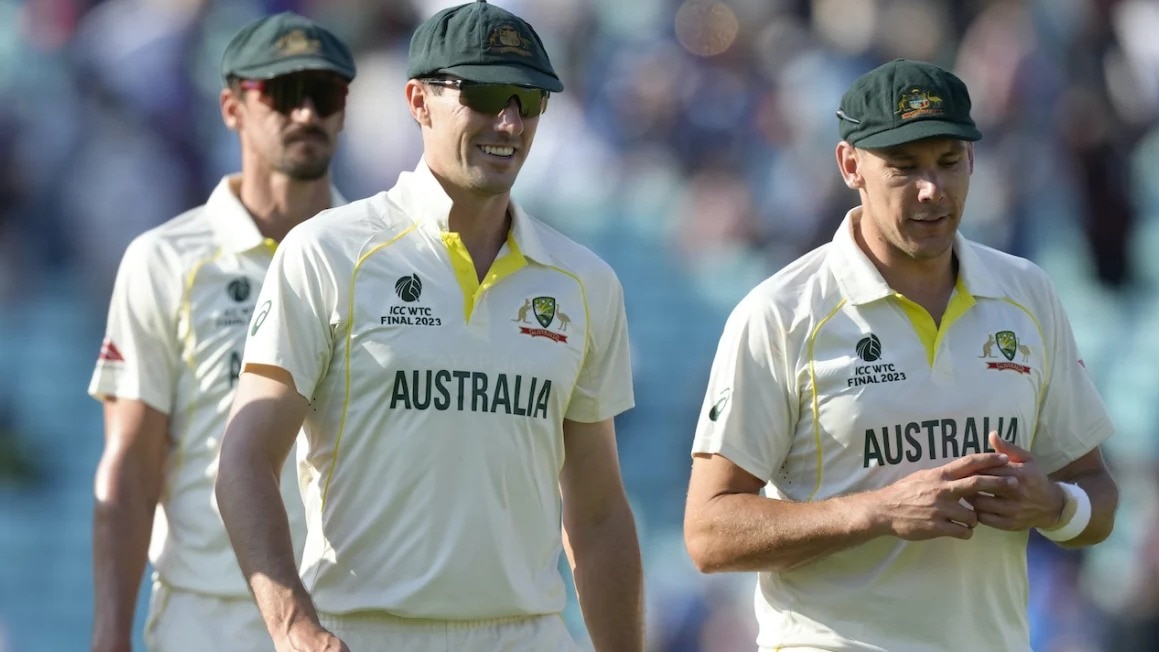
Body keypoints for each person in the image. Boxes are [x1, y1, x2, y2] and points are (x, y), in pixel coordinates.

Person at [214, 2, 644, 651]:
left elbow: (599, 511)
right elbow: (243, 460)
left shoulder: (584, 282)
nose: (509, 121)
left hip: (527, 635)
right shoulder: (328, 253)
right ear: (418, 100)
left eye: (528, 99)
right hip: (365, 634)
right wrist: (293, 625)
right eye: (484, 94)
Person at [683, 58, 1119, 652]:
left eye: (947, 162)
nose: (931, 190)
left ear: (973, 160)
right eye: (903, 167)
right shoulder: (781, 313)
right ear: (850, 166)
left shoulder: (1026, 294)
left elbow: (1096, 495)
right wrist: (879, 511)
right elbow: (709, 533)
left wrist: (1054, 504)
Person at [89, 12, 355, 652]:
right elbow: (130, 467)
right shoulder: (165, 259)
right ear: (232, 107)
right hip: (206, 626)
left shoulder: (384, 258)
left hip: (348, 620)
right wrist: (109, 634)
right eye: (283, 94)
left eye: (324, 94)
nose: (305, 114)